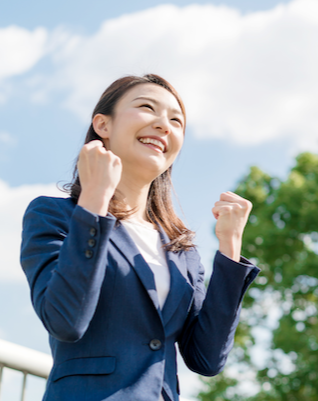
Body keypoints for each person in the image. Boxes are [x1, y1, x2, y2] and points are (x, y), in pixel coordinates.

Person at [20, 74, 260, 401]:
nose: (164, 125)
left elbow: (206, 358)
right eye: (147, 107)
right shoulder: (54, 215)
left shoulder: (181, 250)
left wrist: (230, 246)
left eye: (176, 121)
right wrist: (94, 201)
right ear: (103, 125)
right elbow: (65, 321)